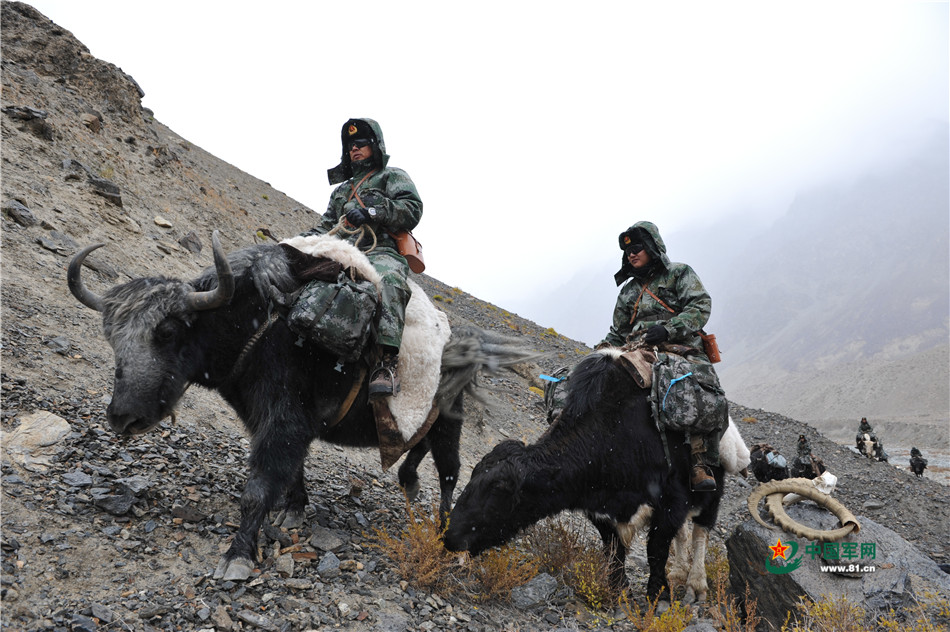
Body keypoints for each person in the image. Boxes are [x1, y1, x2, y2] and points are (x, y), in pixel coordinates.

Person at [597, 221, 725, 491]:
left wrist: (668, 329)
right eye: (628, 251)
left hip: (679, 347)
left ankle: (698, 460)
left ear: (653, 247)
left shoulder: (679, 274)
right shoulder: (628, 292)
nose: (632, 254)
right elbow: (619, 333)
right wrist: (602, 350)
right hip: (637, 349)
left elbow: (700, 306)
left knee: (691, 385)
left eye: (638, 247)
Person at [307, 118, 422, 398]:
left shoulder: (391, 176)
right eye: (350, 146)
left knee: (389, 281)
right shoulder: (342, 191)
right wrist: (301, 243)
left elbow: (412, 207)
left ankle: (386, 362)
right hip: (343, 249)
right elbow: (326, 226)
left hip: (380, 250)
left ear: (374, 146)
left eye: (360, 144)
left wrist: (374, 212)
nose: (354, 149)